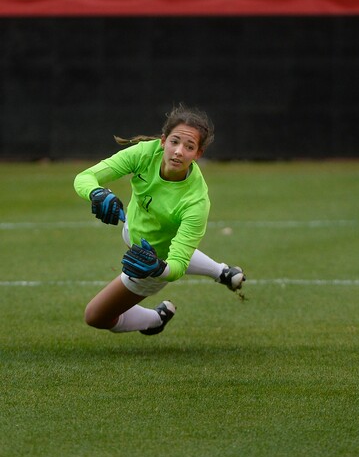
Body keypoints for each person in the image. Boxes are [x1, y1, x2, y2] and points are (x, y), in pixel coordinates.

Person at [73, 103, 245, 335]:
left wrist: (157, 268)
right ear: (163, 140)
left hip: (151, 260)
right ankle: (222, 272)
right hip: (133, 230)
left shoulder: (196, 202)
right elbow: (85, 177)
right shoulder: (146, 153)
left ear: (198, 154)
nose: (178, 152)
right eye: (174, 142)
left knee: (95, 316)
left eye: (189, 146)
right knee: (153, 238)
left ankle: (156, 318)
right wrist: (97, 193)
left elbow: (177, 265)